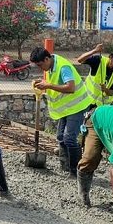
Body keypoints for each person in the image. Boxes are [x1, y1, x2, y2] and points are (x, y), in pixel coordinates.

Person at [29, 47, 92, 177]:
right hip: (66, 108)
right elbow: (55, 83)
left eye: (40, 65)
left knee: (69, 139)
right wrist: (44, 83)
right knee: (60, 137)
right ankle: (65, 166)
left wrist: (48, 85)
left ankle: (77, 171)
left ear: (47, 59)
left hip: (77, 106)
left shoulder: (63, 67)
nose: (40, 68)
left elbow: (71, 87)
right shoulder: (51, 66)